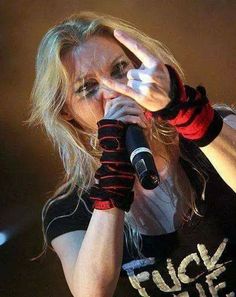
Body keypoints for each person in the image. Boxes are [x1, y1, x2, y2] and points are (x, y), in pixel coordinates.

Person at [28, 11, 236, 297]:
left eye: (119, 70)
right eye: (88, 88)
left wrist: (190, 115)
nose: (114, 92)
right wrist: (114, 172)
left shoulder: (214, 128)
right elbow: (92, 292)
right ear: (67, 112)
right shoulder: (69, 208)